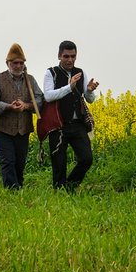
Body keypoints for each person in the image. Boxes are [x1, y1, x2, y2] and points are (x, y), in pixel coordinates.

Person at [43, 40, 99, 191]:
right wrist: (70, 87)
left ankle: (70, 187)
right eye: (66, 56)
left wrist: (89, 90)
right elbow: (48, 96)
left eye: (73, 56)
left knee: (86, 159)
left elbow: (90, 100)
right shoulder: (51, 73)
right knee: (59, 164)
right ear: (59, 56)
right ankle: (59, 192)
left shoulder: (80, 72)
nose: (70, 60)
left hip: (78, 124)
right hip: (58, 125)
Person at [0, 43, 43, 189]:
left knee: (20, 162)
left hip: (23, 128)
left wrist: (26, 106)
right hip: (2, 129)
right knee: (8, 162)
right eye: (15, 63)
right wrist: (9, 107)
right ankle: (13, 192)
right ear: (8, 63)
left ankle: (19, 189)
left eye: (21, 63)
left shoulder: (30, 80)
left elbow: (39, 100)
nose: (18, 66)